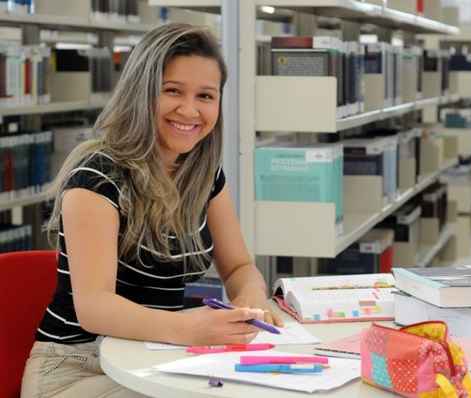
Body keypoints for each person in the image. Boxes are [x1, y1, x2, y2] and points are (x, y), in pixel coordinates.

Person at [21, 23, 283, 398]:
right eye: (173, 91)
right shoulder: (97, 177)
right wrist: (190, 329)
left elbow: (240, 267)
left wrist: (251, 300)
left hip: (153, 357)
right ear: (141, 93)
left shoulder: (203, 175)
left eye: (206, 96)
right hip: (76, 368)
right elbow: (94, 308)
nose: (190, 110)